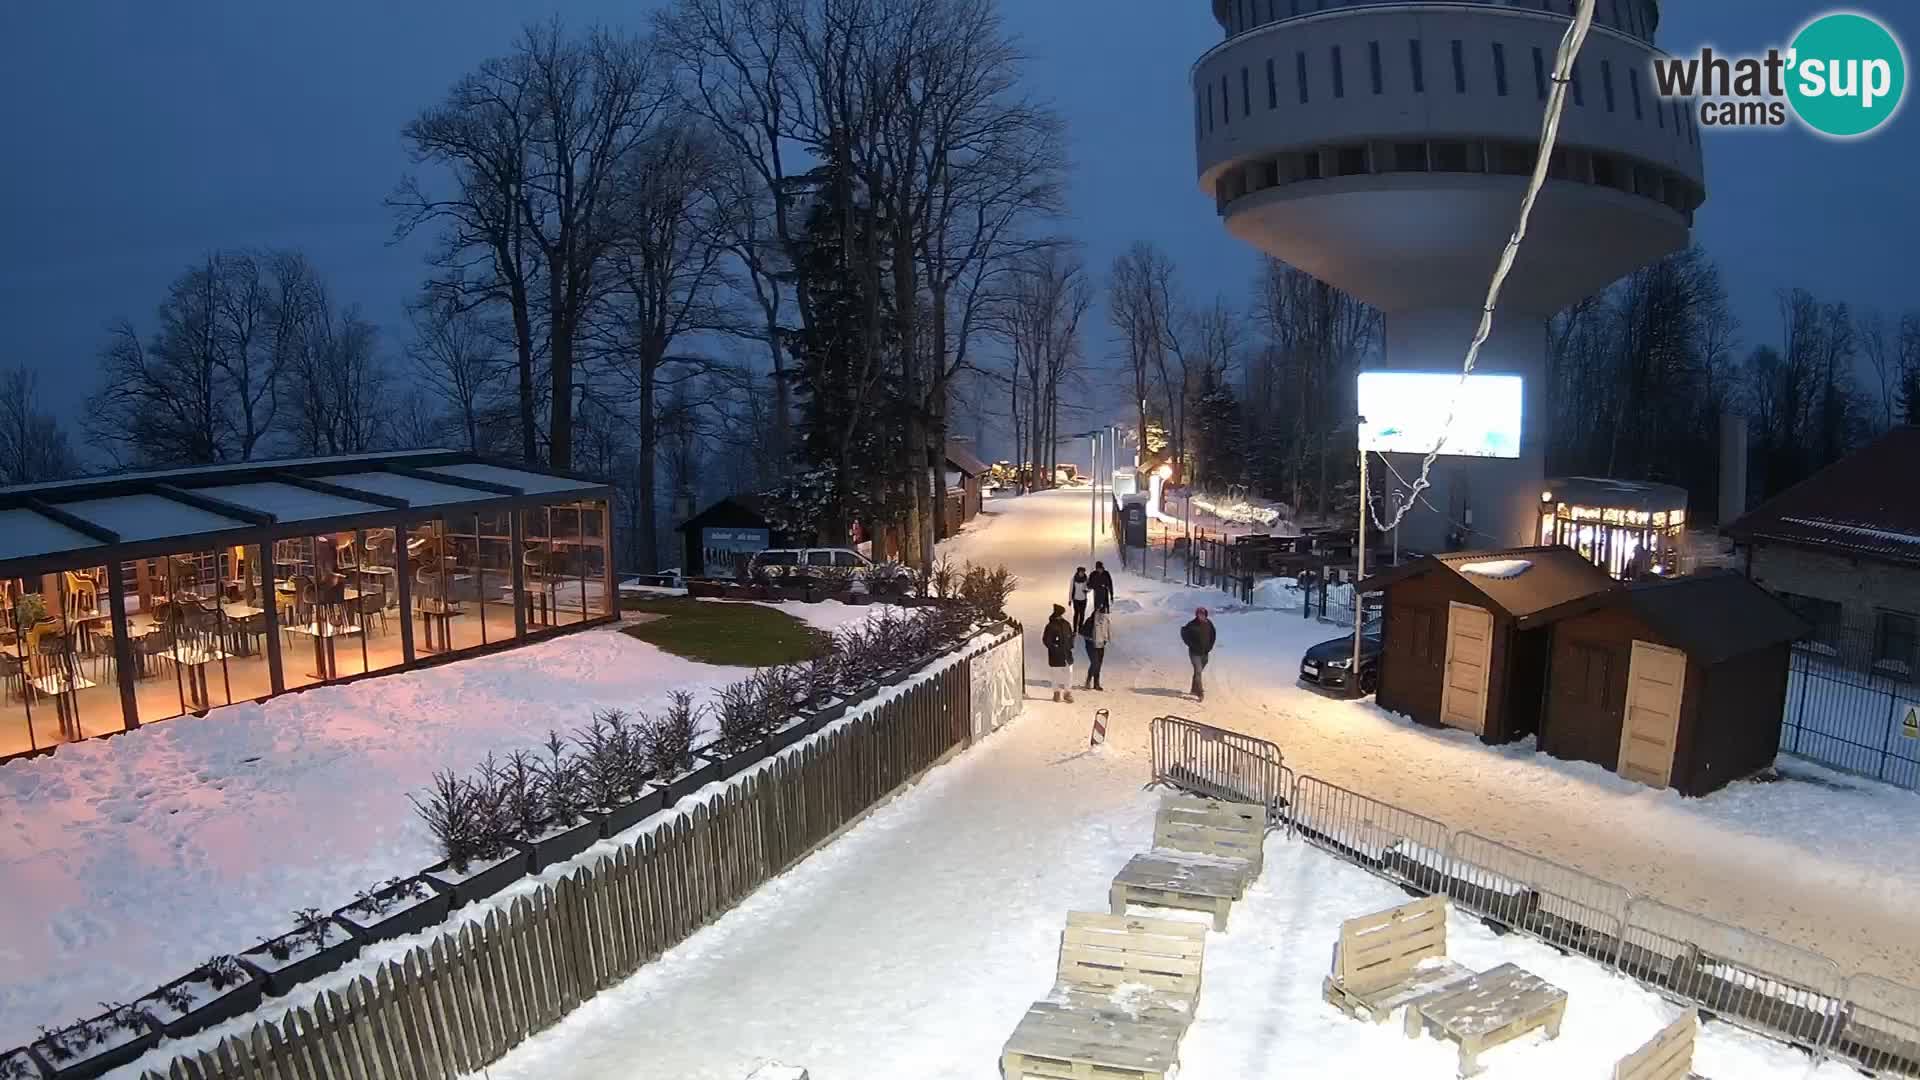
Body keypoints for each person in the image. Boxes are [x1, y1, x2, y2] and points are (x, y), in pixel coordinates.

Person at [1180, 606, 1217, 701]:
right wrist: (1192, 645)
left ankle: (1194, 689)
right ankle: (1200, 693)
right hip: (1194, 653)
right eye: (1199, 614)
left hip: (1205, 652)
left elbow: (1213, 635)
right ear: (1197, 615)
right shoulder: (1192, 625)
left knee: (1198, 672)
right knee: (1198, 671)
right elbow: (1183, 632)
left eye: (1203, 614)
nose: (1202, 616)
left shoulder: (1209, 624)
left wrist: (1210, 646)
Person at [1042, 604, 1076, 703]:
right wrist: (1054, 647)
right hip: (1056, 655)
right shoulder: (1050, 626)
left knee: (1069, 674)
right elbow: (1046, 640)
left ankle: (1067, 693)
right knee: (1055, 675)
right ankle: (1056, 693)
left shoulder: (1066, 624)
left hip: (1067, 653)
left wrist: (1070, 645)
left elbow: (1070, 636)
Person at [1080, 607, 1112, 691]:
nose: (1102, 615)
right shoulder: (1090, 621)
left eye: (1103, 613)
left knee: (1099, 664)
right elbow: (1083, 632)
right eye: (1101, 613)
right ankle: (1088, 680)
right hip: (1091, 645)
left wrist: (1106, 639)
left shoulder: (1105, 620)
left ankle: (1096, 683)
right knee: (1095, 662)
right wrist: (1090, 639)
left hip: (1101, 645)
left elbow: (1107, 630)